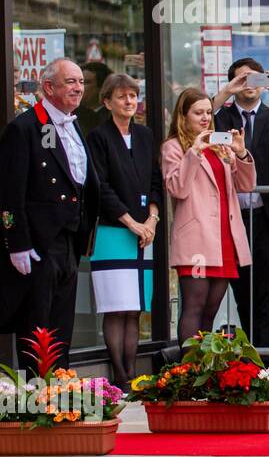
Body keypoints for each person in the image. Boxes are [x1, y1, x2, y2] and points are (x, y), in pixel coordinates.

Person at [0, 59, 101, 374]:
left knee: (60, 329)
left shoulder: (74, 124)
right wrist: (16, 243)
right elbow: (8, 192)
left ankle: (60, 394)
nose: (78, 88)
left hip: (69, 240)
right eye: (70, 81)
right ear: (48, 87)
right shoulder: (24, 128)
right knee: (38, 328)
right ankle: (37, 399)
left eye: (81, 82)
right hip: (37, 245)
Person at [212, 58, 269, 351]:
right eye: (243, 79)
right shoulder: (223, 117)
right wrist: (226, 92)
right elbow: (201, 119)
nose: (249, 85)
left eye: (255, 79)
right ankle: (251, 350)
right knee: (244, 288)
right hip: (234, 215)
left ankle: (267, 355)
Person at [160, 88, 255, 345]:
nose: (204, 118)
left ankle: (204, 370)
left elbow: (245, 185)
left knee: (210, 312)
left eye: (208, 112)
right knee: (194, 306)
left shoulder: (218, 145)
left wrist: (240, 153)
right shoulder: (174, 147)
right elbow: (177, 188)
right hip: (196, 237)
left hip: (223, 237)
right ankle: (188, 372)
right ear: (183, 115)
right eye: (197, 112)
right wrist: (195, 152)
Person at [87, 74, 163, 389]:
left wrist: (152, 220)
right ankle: (118, 373)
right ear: (107, 102)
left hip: (145, 233)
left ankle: (131, 373)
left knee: (134, 308)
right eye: (121, 96)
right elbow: (100, 186)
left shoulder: (145, 136)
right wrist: (132, 222)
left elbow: (156, 182)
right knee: (115, 307)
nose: (129, 101)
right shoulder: (98, 137)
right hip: (113, 232)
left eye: (133, 95)